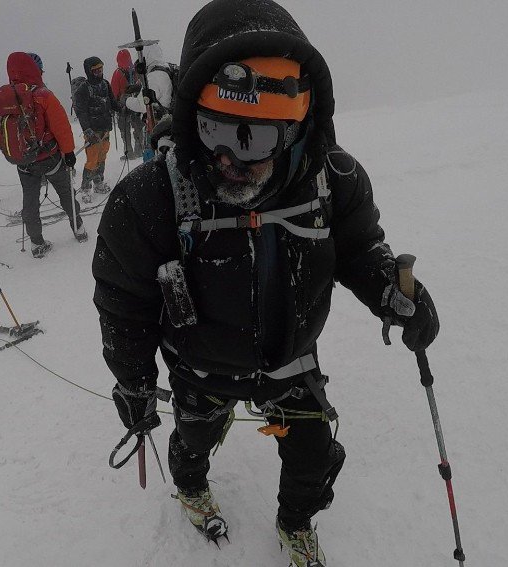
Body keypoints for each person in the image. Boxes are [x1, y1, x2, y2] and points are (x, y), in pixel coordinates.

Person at [92, 1, 440, 565]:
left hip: (291, 363)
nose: (232, 158)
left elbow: (359, 249)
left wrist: (391, 292)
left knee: (312, 456)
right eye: (214, 130)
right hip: (198, 364)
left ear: (296, 127)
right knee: (193, 439)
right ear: (189, 117)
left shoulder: (334, 180)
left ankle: (296, 521)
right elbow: (122, 300)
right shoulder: (148, 198)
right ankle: (191, 483)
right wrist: (132, 380)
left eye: (256, 139)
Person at [0, 52, 85, 258]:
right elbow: (61, 126)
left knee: (30, 202)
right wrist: (68, 152)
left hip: (24, 163)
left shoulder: (3, 98)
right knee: (66, 193)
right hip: (50, 158)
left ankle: (36, 243)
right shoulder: (43, 95)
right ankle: (78, 228)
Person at [72, 56, 120, 197]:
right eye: (95, 71)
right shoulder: (83, 89)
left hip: (105, 129)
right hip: (92, 131)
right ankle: (85, 189)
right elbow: (81, 112)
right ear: (89, 72)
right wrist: (87, 130)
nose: (99, 73)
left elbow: (112, 102)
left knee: (102, 157)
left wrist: (123, 107)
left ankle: (98, 182)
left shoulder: (105, 84)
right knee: (92, 160)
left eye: (100, 69)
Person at [110, 49, 145, 160]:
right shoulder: (136, 71)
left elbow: (113, 93)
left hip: (122, 107)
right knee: (138, 127)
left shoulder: (117, 73)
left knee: (125, 131)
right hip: (135, 104)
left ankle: (129, 153)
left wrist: (114, 106)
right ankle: (139, 150)